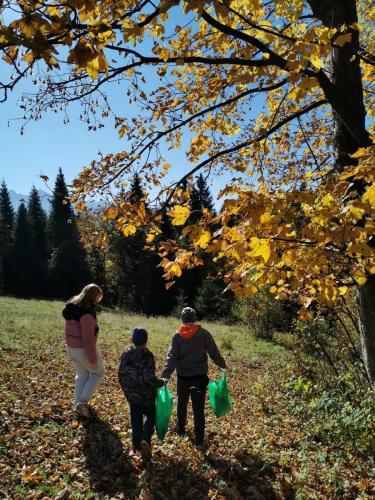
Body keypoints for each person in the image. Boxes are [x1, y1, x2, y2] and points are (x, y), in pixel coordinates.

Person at [161, 307, 226, 449]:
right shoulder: (204, 334)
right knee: (198, 409)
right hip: (199, 378)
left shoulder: (177, 336)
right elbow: (214, 352)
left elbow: (171, 357)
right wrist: (222, 365)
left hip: (183, 377)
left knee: (182, 405)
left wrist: (165, 376)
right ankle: (199, 441)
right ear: (194, 319)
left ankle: (181, 431)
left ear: (183, 320)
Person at [118, 327, 164, 461]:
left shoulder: (126, 353)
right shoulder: (147, 355)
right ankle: (145, 439)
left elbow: (121, 372)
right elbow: (148, 378)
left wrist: (126, 389)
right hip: (146, 395)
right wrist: (160, 383)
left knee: (135, 417)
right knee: (151, 415)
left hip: (130, 393)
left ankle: (136, 443)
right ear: (146, 341)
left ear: (132, 339)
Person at [63, 283, 104, 417]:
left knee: (82, 376)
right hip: (82, 349)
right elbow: (87, 339)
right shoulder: (86, 313)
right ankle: (82, 402)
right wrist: (92, 358)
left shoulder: (72, 308)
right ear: (93, 296)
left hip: (71, 349)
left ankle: (77, 405)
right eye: (98, 297)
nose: (98, 300)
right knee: (98, 372)